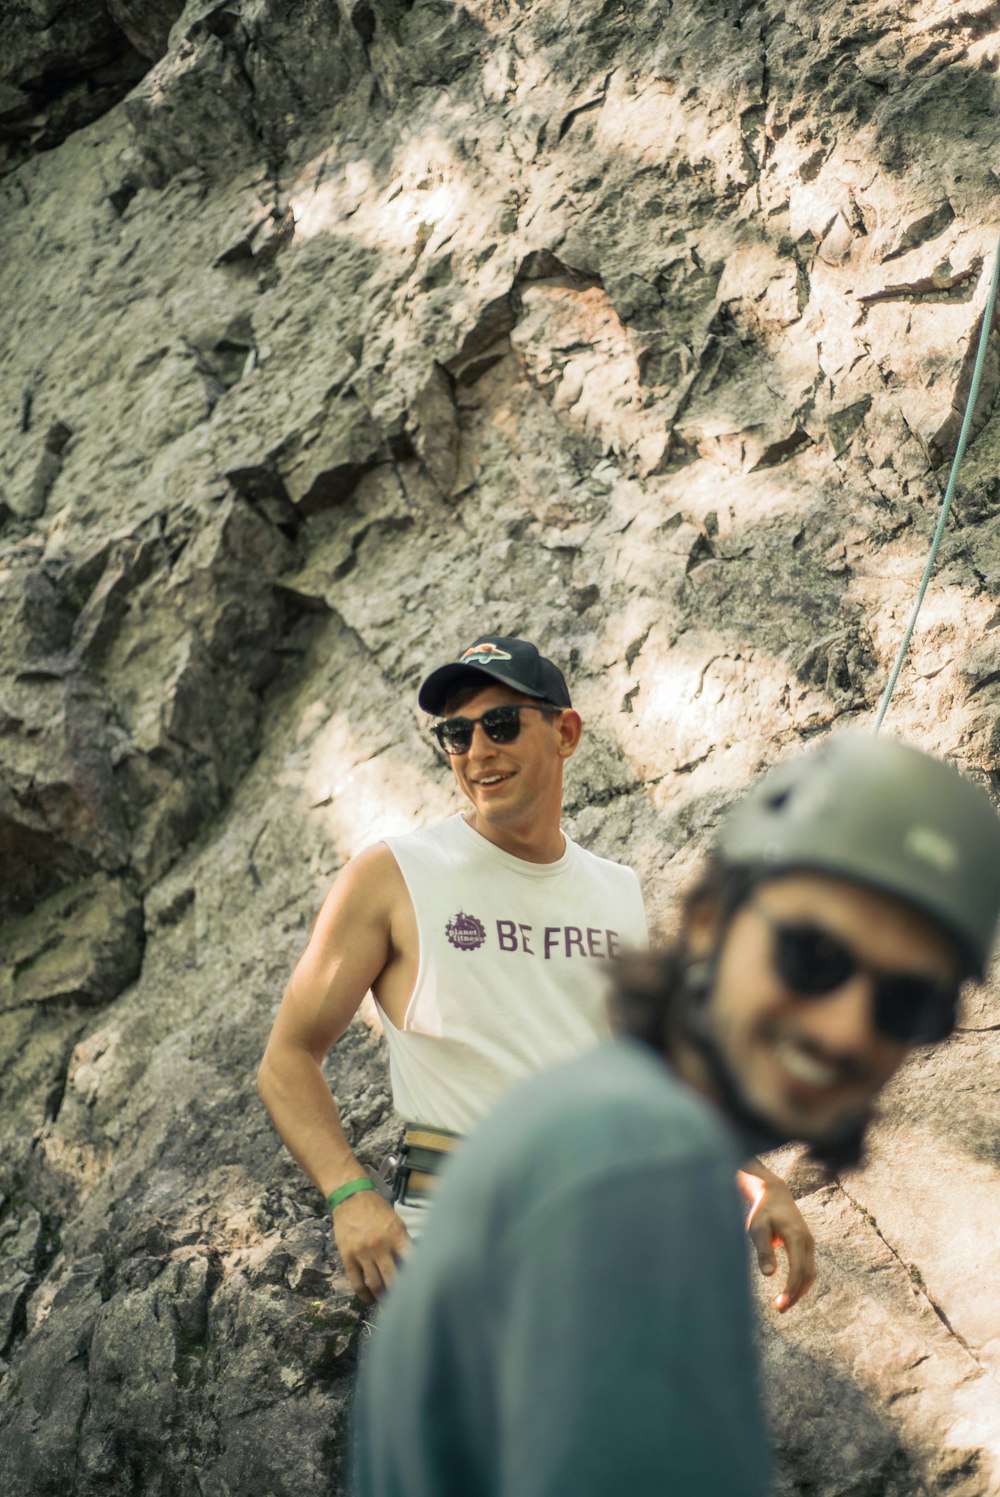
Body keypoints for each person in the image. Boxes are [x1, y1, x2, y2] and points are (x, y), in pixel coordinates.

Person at [352, 731, 1000, 1497]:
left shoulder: (605, 1119)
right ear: (706, 922)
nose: (848, 1027)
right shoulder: (642, 1167)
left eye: (908, 1004)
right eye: (812, 955)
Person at [257, 635, 812, 1306]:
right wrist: (350, 1193)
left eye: (501, 723)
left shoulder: (614, 890)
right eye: (457, 735)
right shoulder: (393, 875)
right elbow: (286, 1058)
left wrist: (751, 1181)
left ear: (566, 732)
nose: (478, 751)